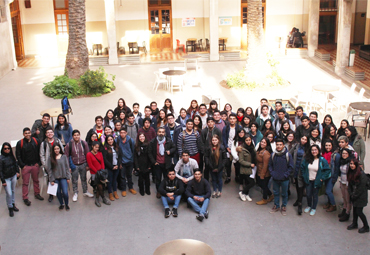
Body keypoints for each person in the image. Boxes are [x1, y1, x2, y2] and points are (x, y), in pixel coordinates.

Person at [16, 127, 44, 206]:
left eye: (29, 133)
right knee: (25, 183)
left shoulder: (36, 141)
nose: (27, 134)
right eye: (26, 133)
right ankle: (25, 197)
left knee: (36, 180)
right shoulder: (20, 143)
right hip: (26, 166)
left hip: (35, 165)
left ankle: (37, 193)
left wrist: (39, 163)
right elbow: (18, 155)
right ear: (23, 134)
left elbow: (40, 152)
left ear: (31, 133)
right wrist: (22, 165)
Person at [301, 144, 331, 216]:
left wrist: (322, 178)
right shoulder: (307, 159)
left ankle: (313, 208)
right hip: (308, 180)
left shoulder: (322, 160)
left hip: (316, 181)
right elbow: (302, 168)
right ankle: (309, 205)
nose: (314, 151)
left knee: (315, 195)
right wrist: (304, 176)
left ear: (318, 151)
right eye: (312, 150)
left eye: (315, 150)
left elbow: (327, 170)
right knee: (308, 194)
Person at [65, 130, 94, 202]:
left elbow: (87, 154)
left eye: (77, 135)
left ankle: (85, 191)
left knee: (84, 179)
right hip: (74, 165)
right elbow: (66, 156)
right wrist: (68, 167)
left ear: (79, 135)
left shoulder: (84, 143)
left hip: (83, 164)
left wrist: (87, 165)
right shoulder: (69, 145)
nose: (76, 136)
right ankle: (75, 193)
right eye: (75, 135)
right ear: (72, 136)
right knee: (74, 180)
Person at [149, 127, 176, 198]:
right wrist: (154, 162)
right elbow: (150, 153)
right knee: (158, 179)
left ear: (165, 133)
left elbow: (174, 148)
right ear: (157, 133)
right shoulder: (153, 142)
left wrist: (170, 151)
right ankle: (159, 191)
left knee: (166, 178)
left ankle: (166, 191)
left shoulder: (169, 141)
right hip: (157, 164)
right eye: (160, 132)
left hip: (166, 164)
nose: (161, 133)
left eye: (163, 132)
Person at [269, 138, 294, 216]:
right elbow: (270, 165)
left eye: (280, 145)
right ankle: (276, 205)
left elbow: (291, 167)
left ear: (283, 145)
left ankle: (283, 206)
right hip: (275, 178)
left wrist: (285, 175)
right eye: (277, 145)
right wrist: (272, 173)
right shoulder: (273, 155)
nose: (279, 146)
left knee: (284, 193)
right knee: (276, 193)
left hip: (284, 179)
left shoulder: (287, 155)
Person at [40, 127, 64, 202]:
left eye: (51, 132)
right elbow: (42, 155)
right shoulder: (43, 143)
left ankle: (59, 192)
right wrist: (45, 165)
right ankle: (51, 194)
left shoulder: (57, 141)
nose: (50, 134)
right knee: (50, 179)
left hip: (58, 163)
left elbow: (62, 151)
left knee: (59, 177)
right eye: (48, 132)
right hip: (49, 164)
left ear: (53, 133)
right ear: (46, 134)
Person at [46, 144, 71, 211]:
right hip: (55, 178)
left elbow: (67, 167)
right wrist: (51, 179)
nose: (56, 150)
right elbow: (49, 169)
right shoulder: (50, 158)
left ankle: (66, 204)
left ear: (60, 149)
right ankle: (61, 204)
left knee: (65, 192)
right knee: (58, 192)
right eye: (55, 149)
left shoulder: (64, 157)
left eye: (58, 148)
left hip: (63, 177)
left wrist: (68, 177)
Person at [347, 159, 369, 233]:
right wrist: (351, 194)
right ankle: (354, 223)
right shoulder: (351, 172)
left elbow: (361, 188)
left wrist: (354, 195)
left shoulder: (362, 175)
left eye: (353, 164)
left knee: (359, 211)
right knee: (355, 210)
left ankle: (366, 226)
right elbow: (350, 184)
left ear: (356, 165)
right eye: (350, 164)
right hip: (354, 195)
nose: (352, 165)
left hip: (361, 196)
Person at [289, 135, 309, 215]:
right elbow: (289, 153)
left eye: (305, 139)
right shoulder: (296, 146)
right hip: (296, 168)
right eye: (302, 138)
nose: (303, 140)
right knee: (297, 185)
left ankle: (300, 203)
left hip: (303, 170)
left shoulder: (308, 148)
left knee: (301, 186)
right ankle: (298, 199)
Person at [86, 141, 111, 207]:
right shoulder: (89, 154)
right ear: (92, 146)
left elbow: (102, 162)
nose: (96, 148)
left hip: (101, 172)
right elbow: (90, 165)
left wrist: (102, 170)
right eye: (95, 147)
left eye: (98, 147)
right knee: (99, 186)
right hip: (94, 173)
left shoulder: (100, 153)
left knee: (100, 186)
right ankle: (103, 198)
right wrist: (97, 172)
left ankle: (97, 199)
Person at [0, 142, 20, 217]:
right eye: (5, 148)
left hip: (13, 176)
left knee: (13, 191)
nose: (7, 150)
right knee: (9, 193)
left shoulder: (12, 156)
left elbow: (15, 164)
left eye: (8, 148)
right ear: (3, 149)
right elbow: (0, 170)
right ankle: (10, 207)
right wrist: (3, 181)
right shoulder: (1, 158)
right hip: (6, 178)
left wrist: (17, 172)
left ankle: (13, 204)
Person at [116, 126, 137, 197]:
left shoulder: (131, 140)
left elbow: (134, 151)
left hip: (130, 161)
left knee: (129, 176)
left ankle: (131, 188)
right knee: (122, 176)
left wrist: (133, 162)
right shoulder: (117, 140)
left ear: (126, 133)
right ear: (119, 133)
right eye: (121, 133)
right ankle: (124, 189)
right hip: (122, 162)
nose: (122, 134)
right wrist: (119, 162)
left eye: (123, 133)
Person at [222, 113, 242, 184]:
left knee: (237, 163)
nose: (232, 120)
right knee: (228, 164)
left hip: (236, 148)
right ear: (228, 119)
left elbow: (241, 138)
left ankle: (237, 176)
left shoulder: (239, 127)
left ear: (236, 119)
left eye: (234, 119)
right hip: (228, 147)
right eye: (231, 119)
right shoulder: (226, 128)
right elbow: (224, 138)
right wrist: (227, 147)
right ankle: (228, 177)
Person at [237, 135, 256, 202]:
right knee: (252, 182)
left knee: (248, 183)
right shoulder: (242, 149)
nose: (248, 142)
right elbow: (241, 161)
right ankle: (242, 193)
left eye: (249, 140)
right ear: (244, 141)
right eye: (247, 140)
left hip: (253, 168)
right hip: (245, 169)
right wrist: (250, 164)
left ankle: (246, 194)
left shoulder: (252, 148)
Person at [255, 138, 274, 205]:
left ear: (267, 144)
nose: (262, 143)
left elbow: (265, 166)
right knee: (261, 185)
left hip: (264, 173)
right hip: (259, 171)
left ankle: (264, 199)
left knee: (264, 186)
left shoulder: (266, 153)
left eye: (264, 142)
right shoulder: (260, 150)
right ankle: (271, 195)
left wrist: (262, 175)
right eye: (262, 142)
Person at [321, 140, 338, 213]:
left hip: (331, 175)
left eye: (329, 145)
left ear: (332, 146)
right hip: (325, 174)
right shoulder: (323, 153)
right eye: (326, 145)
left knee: (328, 191)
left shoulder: (334, 155)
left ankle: (333, 205)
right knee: (328, 190)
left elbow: (336, 167)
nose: (328, 147)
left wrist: (335, 177)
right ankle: (329, 203)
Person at [103, 135, 120, 201]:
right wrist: (112, 167)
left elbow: (120, 156)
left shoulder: (117, 147)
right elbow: (105, 159)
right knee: (109, 180)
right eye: (109, 140)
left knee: (115, 180)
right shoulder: (105, 149)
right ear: (106, 141)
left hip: (116, 166)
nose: (110, 141)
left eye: (111, 139)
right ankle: (110, 193)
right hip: (109, 168)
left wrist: (117, 165)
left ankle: (115, 192)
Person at [338, 148, 352, 222]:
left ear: (348, 154)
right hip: (342, 181)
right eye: (343, 153)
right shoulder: (342, 161)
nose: (344, 155)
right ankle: (344, 209)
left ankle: (347, 213)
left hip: (347, 183)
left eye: (346, 153)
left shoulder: (350, 163)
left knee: (348, 199)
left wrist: (348, 183)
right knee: (344, 197)